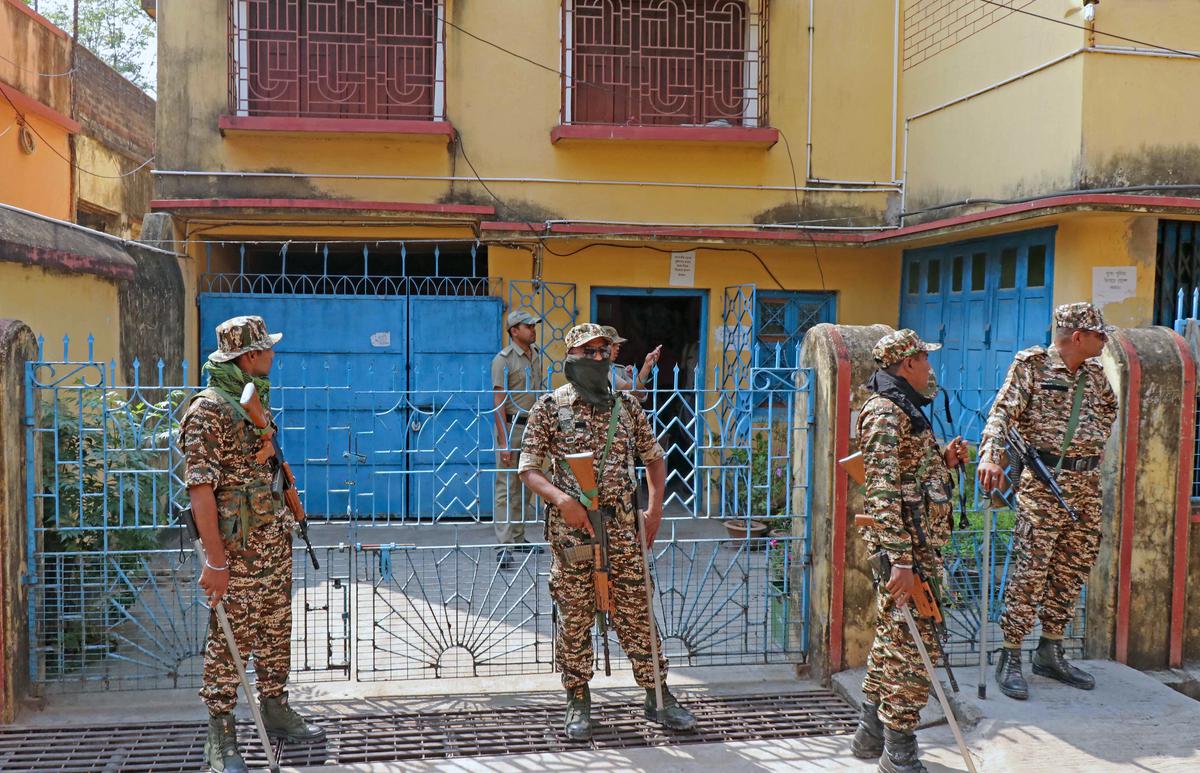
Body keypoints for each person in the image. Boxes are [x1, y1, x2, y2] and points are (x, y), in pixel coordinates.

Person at [518, 323, 697, 741]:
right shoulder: (550, 408)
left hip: (622, 527)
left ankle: (657, 695)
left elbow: (654, 459)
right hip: (574, 532)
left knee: (637, 610)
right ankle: (577, 699)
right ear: (572, 358)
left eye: (604, 352)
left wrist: (654, 512)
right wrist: (562, 499)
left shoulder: (627, 407)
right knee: (576, 616)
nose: (598, 359)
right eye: (589, 352)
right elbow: (528, 468)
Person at [181, 316, 325, 773]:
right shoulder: (207, 410)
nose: (273, 355)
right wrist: (215, 562)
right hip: (237, 553)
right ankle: (220, 733)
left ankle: (275, 707)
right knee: (229, 642)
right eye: (267, 349)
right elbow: (200, 489)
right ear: (249, 356)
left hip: (271, 543)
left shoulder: (255, 400)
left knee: (275, 631)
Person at [977, 302, 1118, 700]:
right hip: (1044, 483)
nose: (1104, 340)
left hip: (1086, 484)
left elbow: (1110, 409)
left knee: (1073, 567)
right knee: (1031, 571)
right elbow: (1001, 414)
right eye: (1098, 334)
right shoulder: (1033, 366)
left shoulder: (1094, 375)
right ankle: (1010, 655)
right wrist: (991, 455)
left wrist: (1089, 445)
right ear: (1078, 336)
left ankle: (1050, 650)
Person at [851, 329, 967, 773]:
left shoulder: (903, 407)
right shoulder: (885, 412)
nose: (931, 368)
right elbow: (881, 490)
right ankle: (898, 754)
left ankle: (871, 733)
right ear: (908, 364)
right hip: (907, 555)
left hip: (916, 548)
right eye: (925, 359)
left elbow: (905, 472)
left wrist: (942, 459)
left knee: (894, 638)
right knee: (915, 651)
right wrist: (900, 560)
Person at [491, 309, 548, 570]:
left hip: (532, 427)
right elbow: (498, 403)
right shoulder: (503, 360)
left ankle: (517, 536)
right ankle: (503, 545)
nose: (533, 330)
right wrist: (503, 442)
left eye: (533, 326)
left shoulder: (536, 355)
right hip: (512, 426)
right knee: (506, 486)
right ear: (514, 330)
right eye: (528, 326)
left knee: (526, 483)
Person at [603, 325, 661, 402]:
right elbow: (631, 389)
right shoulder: (597, 368)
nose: (618, 348)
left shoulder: (619, 370)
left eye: (618, 345)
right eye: (613, 345)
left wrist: (636, 377)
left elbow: (641, 395)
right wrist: (646, 366)